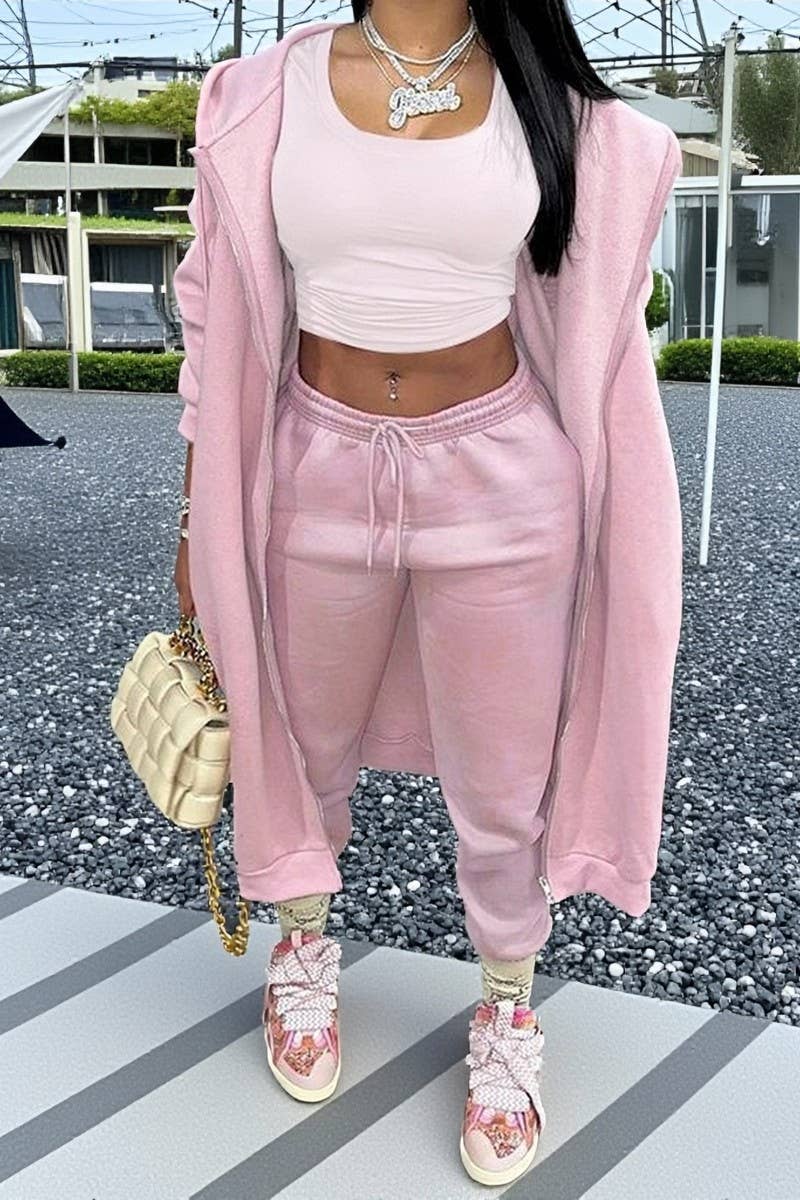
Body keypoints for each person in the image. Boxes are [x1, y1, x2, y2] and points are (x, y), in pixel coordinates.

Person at [173, 0, 684, 1188]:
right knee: (301, 743)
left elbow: (596, 296)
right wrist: (195, 513)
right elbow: (209, 308)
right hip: (311, 465)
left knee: (503, 782)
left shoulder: (556, 105)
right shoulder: (259, 91)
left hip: (503, 476)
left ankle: (507, 1004)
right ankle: (302, 949)